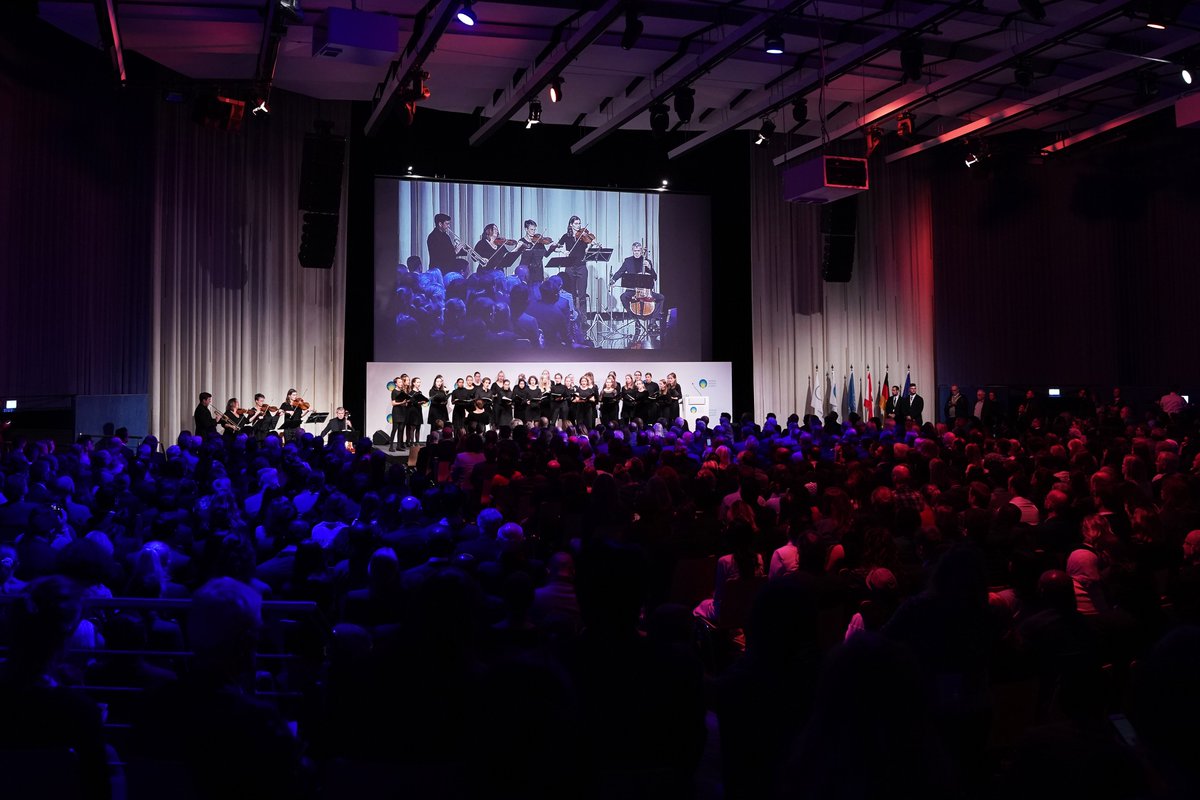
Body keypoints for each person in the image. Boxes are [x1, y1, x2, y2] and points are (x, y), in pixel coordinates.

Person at [610, 242, 663, 319]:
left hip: (646, 292)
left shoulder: (647, 261)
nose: (637, 253)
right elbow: (620, 272)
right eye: (635, 251)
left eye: (638, 251)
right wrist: (613, 279)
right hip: (632, 290)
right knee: (623, 297)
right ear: (632, 250)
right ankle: (635, 319)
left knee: (661, 297)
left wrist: (649, 267)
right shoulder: (628, 261)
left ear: (641, 251)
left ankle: (653, 320)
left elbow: (655, 277)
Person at [556, 216, 592, 317]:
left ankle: (583, 318)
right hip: (570, 267)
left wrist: (590, 245)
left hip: (581, 266)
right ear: (571, 224)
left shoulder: (583, 237)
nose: (578, 226)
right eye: (576, 223)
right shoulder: (566, 236)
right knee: (570, 293)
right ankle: (571, 315)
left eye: (579, 223)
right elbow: (556, 247)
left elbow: (587, 249)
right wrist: (564, 251)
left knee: (582, 295)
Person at [517, 219, 553, 284]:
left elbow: (546, 254)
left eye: (534, 230)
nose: (533, 232)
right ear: (526, 229)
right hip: (527, 270)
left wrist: (552, 248)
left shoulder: (539, 242)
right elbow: (516, 254)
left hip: (538, 272)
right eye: (531, 229)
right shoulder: (522, 241)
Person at [389, 374, 408, 451]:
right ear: (396, 383)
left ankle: (399, 446)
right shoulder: (394, 391)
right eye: (399, 382)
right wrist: (401, 402)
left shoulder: (403, 391)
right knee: (395, 429)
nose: (401, 383)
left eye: (401, 382)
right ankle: (391, 446)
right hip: (396, 412)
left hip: (403, 412)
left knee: (401, 429)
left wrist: (406, 401)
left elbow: (405, 402)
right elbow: (393, 403)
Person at [407, 376, 427, 447]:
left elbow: (421, 400)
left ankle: (417, 442)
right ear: (414, 383)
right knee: (413, 428)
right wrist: (418, 402)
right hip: (413, 411)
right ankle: (412, 442)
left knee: (418, 427)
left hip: (419, 410)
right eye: (418, 382)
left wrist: (424, 401)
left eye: (420, 382)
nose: (419, 384)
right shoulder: (411, 392)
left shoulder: (420, 392)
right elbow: (412, 402)